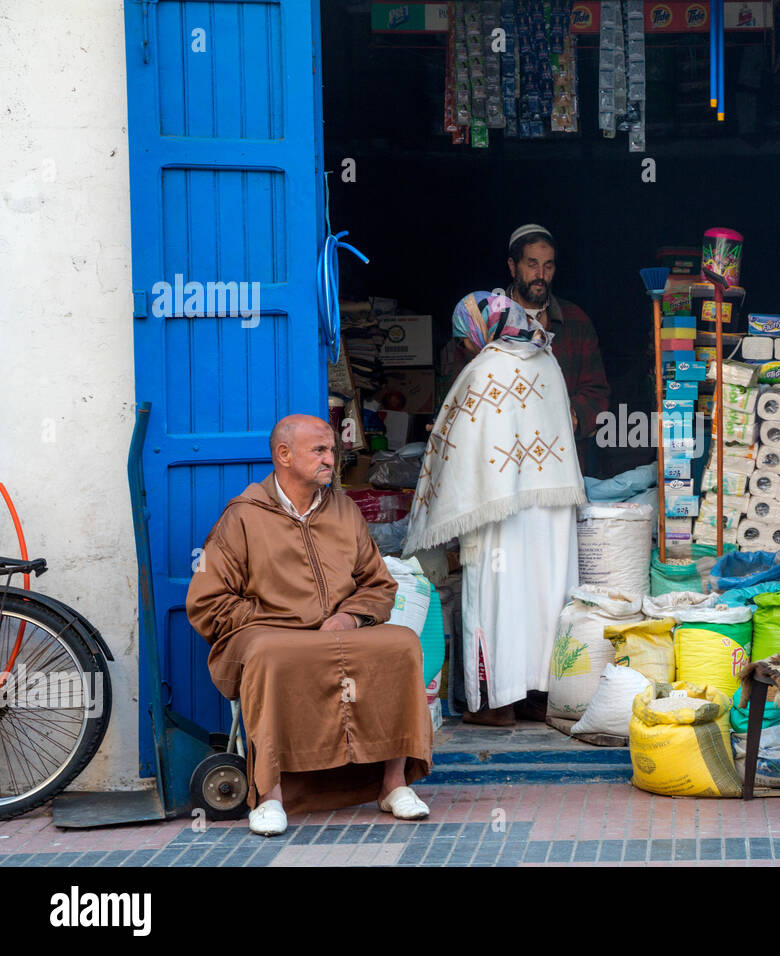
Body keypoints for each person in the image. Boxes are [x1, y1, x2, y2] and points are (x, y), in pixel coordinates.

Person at [186, 415, 434, 836]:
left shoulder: (344, 510)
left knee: (401, 643)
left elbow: (378, 583)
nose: (331, 460)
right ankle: (270, 794)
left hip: (337, 633)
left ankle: (393, 783)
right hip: (273, 637)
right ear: (284, 455)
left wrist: (350, 616)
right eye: (319, 450)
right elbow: (207, 600)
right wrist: (277, 621)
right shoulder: (243, 516)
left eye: (332, 450)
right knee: (270, 653)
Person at [403, 293, 585, 727]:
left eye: (466, 337)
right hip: (551, 511)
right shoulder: (549, 362)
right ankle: (542, 697)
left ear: (483, 330)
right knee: (545, 600)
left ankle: (495, 703)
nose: (465, 346)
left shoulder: (483, 370)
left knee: (497, 601)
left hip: (498, 511)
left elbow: (457, 449)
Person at [444, 224, 610, 472]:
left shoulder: (576, 320)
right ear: (513, 266)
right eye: (532, 264)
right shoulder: (483, 319)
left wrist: (571, 416)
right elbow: (461, 385)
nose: (541, 274)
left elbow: (596, 390)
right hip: (498, 461)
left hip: (561, 461)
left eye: (548, 265)